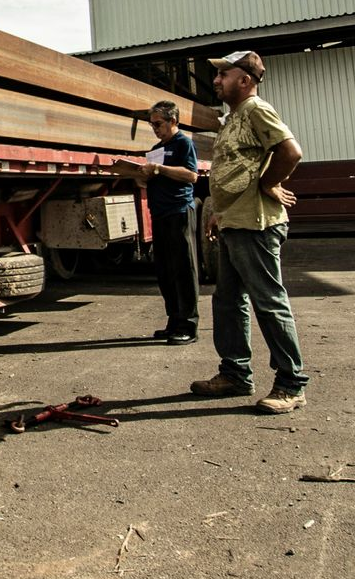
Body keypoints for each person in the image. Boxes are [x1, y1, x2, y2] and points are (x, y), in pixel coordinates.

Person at [186, 50, 311, 414]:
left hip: (256, 225)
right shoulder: (234, 118)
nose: (216, 80)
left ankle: (291, 384)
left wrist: (270, 183)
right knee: (227, 301)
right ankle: (235, 374)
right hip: (233, 222)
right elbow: (237, 169)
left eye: (224, 74)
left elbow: (291, 152)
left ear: (245, 80)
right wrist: (219, 213)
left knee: (268, 302)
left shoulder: (257, 110)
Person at [108, 100, 221, 343]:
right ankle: (174, 320)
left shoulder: (184, 144)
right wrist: (139, 175)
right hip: (159, 212)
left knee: (184, 268)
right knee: (165, 270)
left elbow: (191, 175)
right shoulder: (157, 147)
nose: (155, 129)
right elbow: (152, 178)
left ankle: (189, 326)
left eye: (158, 124)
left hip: (179, 211)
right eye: (152, 125)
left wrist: (159, 169)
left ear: (173, 121)